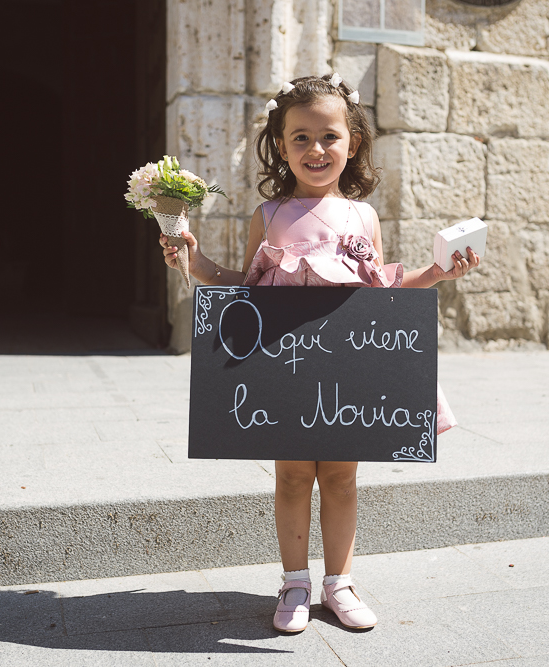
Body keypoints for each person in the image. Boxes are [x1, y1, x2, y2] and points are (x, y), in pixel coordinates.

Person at [160, 73, 479, 633]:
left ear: (351, 143)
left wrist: (437, 271)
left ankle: (340, 582)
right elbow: (248, 289)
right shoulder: (270, 214)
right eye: (300, 137)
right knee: (290, 477)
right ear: (281, 146)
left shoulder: (363, 217)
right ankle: (294, 582)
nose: (315, 149)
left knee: (340, 476)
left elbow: (378, 293)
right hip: (286, 373)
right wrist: (194, 260)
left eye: (328, 136)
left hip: (346, 373)